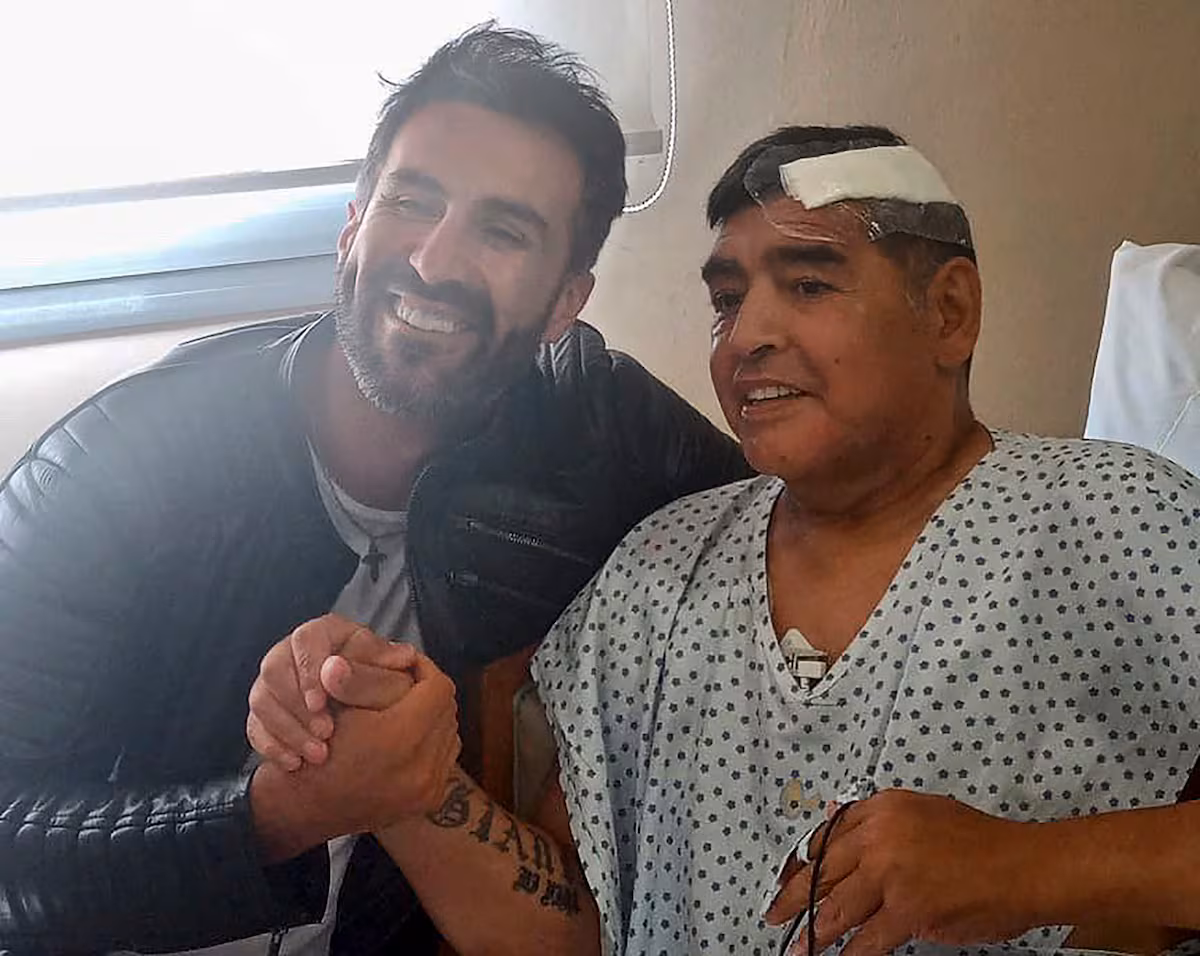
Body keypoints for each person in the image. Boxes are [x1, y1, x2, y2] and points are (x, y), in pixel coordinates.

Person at [255, 125, 1200, 956]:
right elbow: (571, 930)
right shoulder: (659, 571)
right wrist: (407, 787)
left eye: (810, 283)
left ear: (948, 313)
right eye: (727, 299)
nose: (746, 335)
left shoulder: (1121, 520)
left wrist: (1031, 867)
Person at [0, 25, 749, 956]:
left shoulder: (604, 434)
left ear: (567, 300)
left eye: (504, 232)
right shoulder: (122, 461)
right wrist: (275, 813)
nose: (434, 262)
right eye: (413, 202)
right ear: (352, 225)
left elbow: (801, 518)